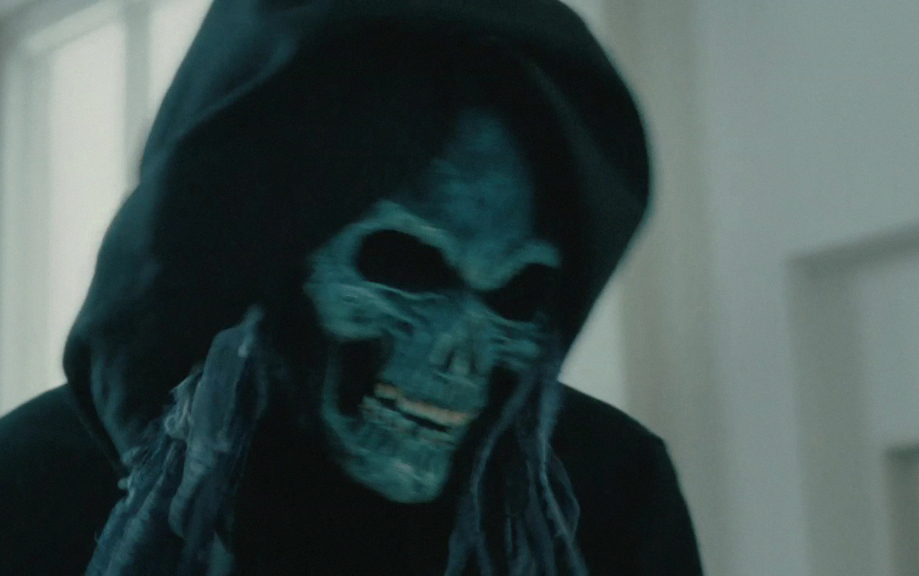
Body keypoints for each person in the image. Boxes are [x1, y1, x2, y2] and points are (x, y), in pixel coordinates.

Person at [0, 0, 704, 574]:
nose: (458, 356)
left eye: (515, 294)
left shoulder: (610, 492)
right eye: (407, 264)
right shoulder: (35, 488)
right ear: (255, 255)